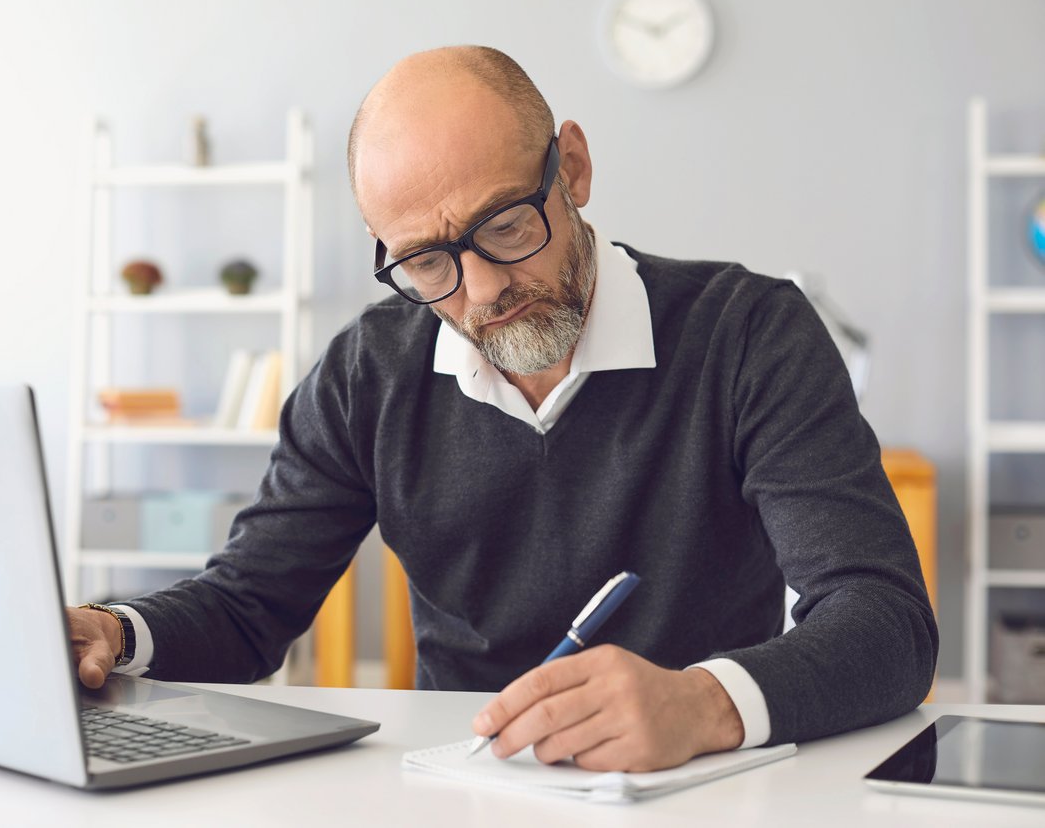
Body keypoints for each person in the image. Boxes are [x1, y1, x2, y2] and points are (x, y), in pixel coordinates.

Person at [66, 46, 937, 773]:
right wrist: (115, 631)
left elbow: (885, 621)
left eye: (508, 226)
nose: (481, 289)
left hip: (696, 785)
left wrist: (701, 703)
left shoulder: (748, 333)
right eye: (425, 263)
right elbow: (248, 607)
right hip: (465, 782)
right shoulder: (367, 372)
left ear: (575, 169)